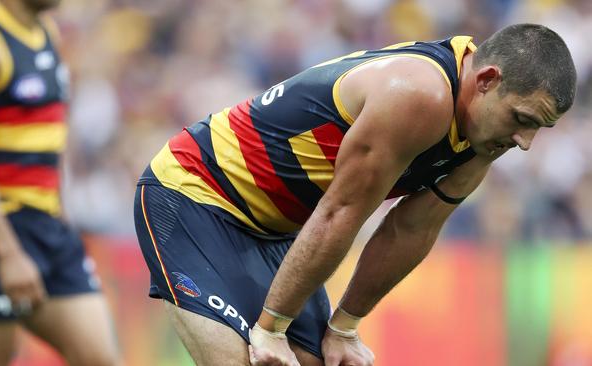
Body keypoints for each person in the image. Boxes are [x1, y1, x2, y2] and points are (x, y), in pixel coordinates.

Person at [133, 23, 576, 366]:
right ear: (486, 80)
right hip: (196, 193)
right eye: (523, 119)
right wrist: (270, 328)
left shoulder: (486, 131)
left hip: (275, 232)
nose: (526, 142)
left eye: (539, 127)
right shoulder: (420, 95)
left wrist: (344, 326)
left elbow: (411, 229)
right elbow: (340, 210)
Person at [0, 1, 121, 365]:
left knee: (103, 359)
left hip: (47, 227)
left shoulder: (47, 32)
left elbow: (48, 140)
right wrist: (7, 253)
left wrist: (61, 216)